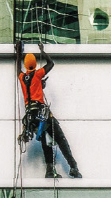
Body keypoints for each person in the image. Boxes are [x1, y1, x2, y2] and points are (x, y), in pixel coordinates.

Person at [16, 42, 82, 179]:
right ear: (34, 65)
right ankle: (73, 167)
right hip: (42, 113)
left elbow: (18, 68)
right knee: (60, 138)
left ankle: (50, 170)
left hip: (31, 117)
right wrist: (43, 50)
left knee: (46, 141)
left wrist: (18, 51)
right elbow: (51, 63)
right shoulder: (38, 74)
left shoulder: (22, 77)